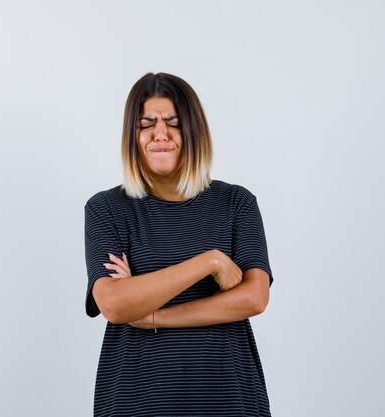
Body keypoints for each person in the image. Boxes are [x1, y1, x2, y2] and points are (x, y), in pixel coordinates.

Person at [84, 72, 274, 416]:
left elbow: (254, 297)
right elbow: (114, 304)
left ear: (193, 131)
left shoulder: (236, 204)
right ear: (132, 136)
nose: (161, 134)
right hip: (137, 399)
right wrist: (211, 262)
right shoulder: (107, 209)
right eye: (146, 124)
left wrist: (154, 313)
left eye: (173, 122)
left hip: (227, 398)